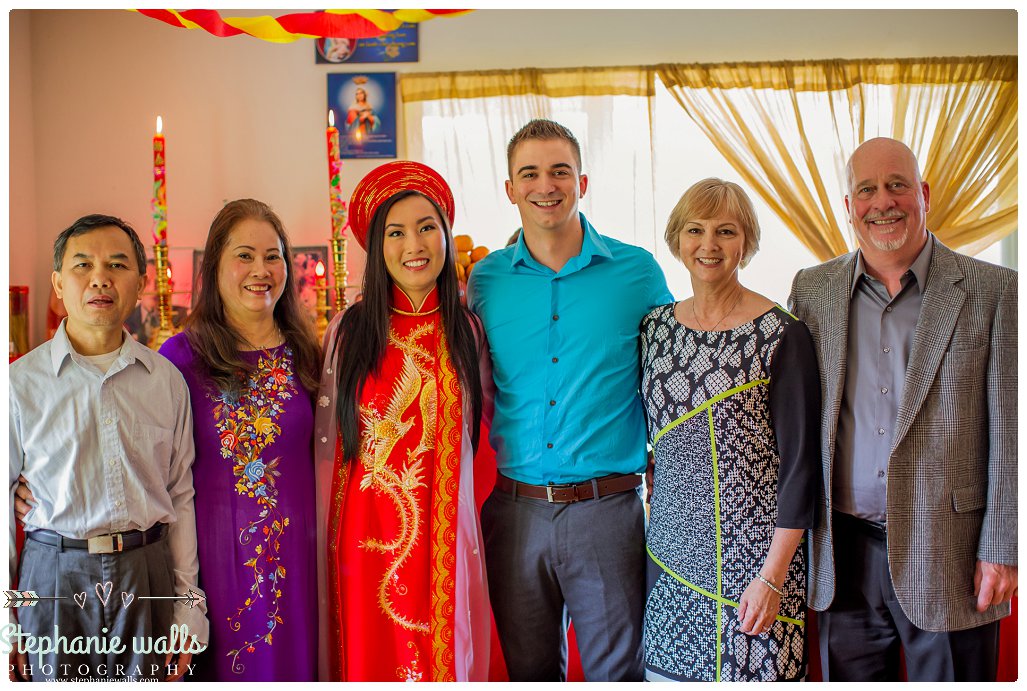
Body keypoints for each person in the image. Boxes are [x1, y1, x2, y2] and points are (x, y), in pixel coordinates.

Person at [788, 137, 1017, 681]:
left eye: (897, 185)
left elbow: (1011, 429)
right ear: (849, 207)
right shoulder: (811, 290)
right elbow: (793, 417)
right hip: (842, 554)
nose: (882, 202)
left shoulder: (995, 290)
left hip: (952, 555)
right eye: (866, 189)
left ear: (924, 194)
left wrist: (1004, 545)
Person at [466, 119, 672, 681]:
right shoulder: (484, 283)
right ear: (510, 189)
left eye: (560, 171)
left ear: (583, 182)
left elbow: (672, 375)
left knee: (617, 676)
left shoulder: (637, 272)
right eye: (529, 173)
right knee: (529, 675)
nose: (546, 185)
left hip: (607, 512)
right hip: (514, 513)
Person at [8, 214, 207, 681]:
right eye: (82, 265)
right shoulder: (19, 385)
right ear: (58, 283)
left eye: (118, 265)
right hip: (53, 577)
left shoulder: (166, 382)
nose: (100, 277)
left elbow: (180, 497)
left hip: (146, 571)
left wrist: (188, 607)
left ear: (140, 282)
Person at [314, 161, 491, 682]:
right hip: (365, 533)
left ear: (445, 235)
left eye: (426, 227)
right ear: (376, 246)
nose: (414, 244)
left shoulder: (468, 331)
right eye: (396, 232)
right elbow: (329, 445)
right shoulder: (348, 332)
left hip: (445, 529)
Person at [639, 179, 820, 681]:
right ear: (677, 238)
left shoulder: (782, 334)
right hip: (671, 563)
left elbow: (801, 468)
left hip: (757, 571)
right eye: (695, 230)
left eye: (725, 231)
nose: (708, 244)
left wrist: (774, 577)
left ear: (746, 242)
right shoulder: (654, 329)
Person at [158, 199, 321, 680]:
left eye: (273, 256)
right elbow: (149, 461)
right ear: (215, 265)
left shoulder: (309, 353)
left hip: (300, 563)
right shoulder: (180, 358)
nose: (261, 270)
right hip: (216, 562)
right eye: (244, 255)